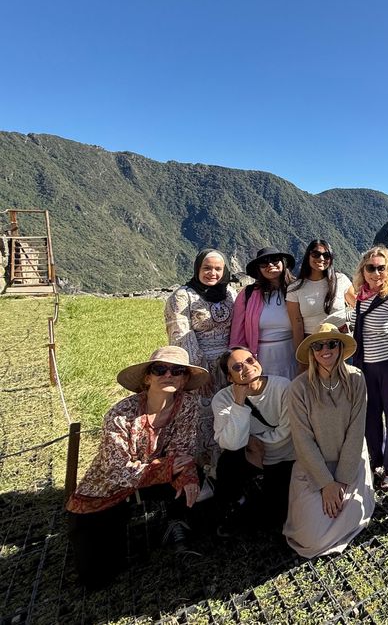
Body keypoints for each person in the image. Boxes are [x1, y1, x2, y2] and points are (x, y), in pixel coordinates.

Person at [65, 346, 209, 590]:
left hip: (151, 478)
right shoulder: (120, 414)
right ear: (147, 377)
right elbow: (118, 472)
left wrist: (186, 474)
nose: (169, 375)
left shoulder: (188, 405)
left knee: (194, 476)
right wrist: (168, 467)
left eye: (177, 371)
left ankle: (175, 521)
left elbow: (182, 451)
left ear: (185, 379)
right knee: (96, 577)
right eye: (160, 369)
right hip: (108, 490)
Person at [283, 323, 374, 557]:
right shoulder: (298, 388)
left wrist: (342, 480)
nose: (326, 350)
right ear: (312, 352)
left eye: (332, 344)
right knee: (310, 539)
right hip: (314, 467)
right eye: (318, 346)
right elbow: (302, 439)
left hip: (349, 463)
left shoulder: (356, 379)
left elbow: (356, 431)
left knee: (351, 512)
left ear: (340, 347)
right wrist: (326, 483)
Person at [346, 245, 388, 490]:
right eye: (371, 268)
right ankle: (376, 460)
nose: (376, 273)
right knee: (370, 416)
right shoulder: (361, 298)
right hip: (366, 366)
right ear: (363, 271)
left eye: (381, 268)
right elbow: (356, 326)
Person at [211, 346, 294, 535]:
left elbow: (286, 433)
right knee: (228, 461)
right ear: (230, 378)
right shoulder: (222, 399)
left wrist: (254, 442)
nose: (247, 367)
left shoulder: (283, 387)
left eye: (250, 360)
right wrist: (238, 403)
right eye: (238, 367)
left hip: (283, 458)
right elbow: (231, 444)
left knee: (275, 519)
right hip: (247, 459)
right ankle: (232, 508)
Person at [164, 249, 236, 395]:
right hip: (199, 363)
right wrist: (199, 371)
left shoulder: (230, 293)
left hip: (229, 364)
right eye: (207, 268)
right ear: (198, 269)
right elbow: (180, 336)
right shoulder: (182, 296)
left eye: (218, 269)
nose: (212, 273)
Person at [231, 246, 298, 380]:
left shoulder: (296, 290)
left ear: (283, 263)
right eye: (264, 263)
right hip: (260, 359)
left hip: (292, 356)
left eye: (275, 260)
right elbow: (237, 333)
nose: (270, 265)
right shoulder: (248, 294)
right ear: (259, 269)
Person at [287, 240, 352, 361]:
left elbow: (359, 305)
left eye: (326, 255)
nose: (321, 258)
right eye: (316, 254)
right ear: (308, 256)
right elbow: (297, 326)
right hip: (314, 346)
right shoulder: (295, 288)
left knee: (345, 373)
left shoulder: (340, 280)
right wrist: (301, 358)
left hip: (341, 342)